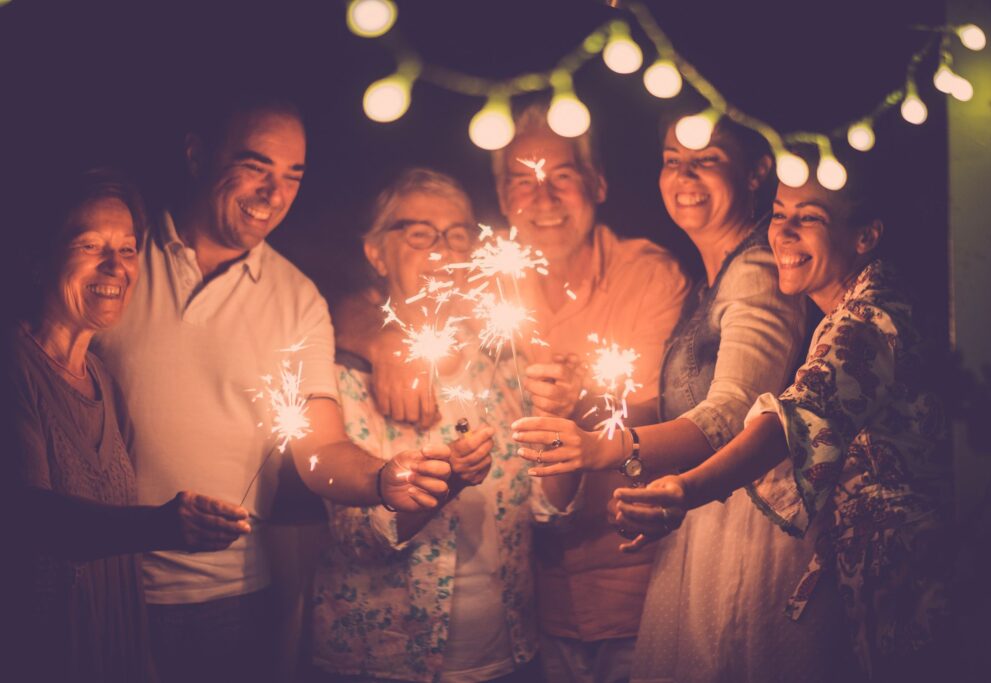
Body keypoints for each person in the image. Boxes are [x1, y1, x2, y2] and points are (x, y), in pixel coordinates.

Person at [92, 98, 451, 683]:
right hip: (101, 581)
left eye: (292, 176)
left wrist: (385, 479)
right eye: (256, 166)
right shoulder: (117, 258)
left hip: (229, 601)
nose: (273, 192)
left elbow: (320, 450)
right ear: (197, 154)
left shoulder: (297, 300)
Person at [335, 103, 688, 683]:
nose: (542, 197)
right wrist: (376, 338)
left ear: (597, 183)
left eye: (563, 176)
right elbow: (357, 533)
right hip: (415, 648)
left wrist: (566, 410)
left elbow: (569, 486)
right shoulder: (365, 363)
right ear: (502, 197)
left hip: (577, 612)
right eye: (523, 180)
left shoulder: (632, 283)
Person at [512, 111, 854, 682]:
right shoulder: (715, 276)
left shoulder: (758, 271)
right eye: (673, 161)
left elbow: (731, 412)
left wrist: (603, 449)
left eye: (707, 160)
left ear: (754, 173)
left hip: (747, 531)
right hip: (702, 524)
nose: (685, 176)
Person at [613, 166, 953, 681]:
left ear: (866, 236)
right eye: (779, 215)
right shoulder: (854, 305)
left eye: (809, 217)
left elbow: (789, 425)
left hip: (910, 583)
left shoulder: (867, 320)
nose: (785, 234)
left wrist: (684, 490)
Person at [313, 168, 581, 682]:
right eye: (420, 234)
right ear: (376, 253)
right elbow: (359, 538)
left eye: (459, 235)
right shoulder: (344, 377)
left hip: (510, 656)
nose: (444, 251)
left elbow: (553, 511)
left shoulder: (507, 368)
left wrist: (559, 418)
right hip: (383, 663)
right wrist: (448, 482)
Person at [6, 168, 253, 682]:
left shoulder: (103, 379)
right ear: (38, 257)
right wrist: (165, 525)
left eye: (128, 248)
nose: (115, 266)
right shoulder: (15, 367)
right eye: (90, 245)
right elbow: (30, 517)